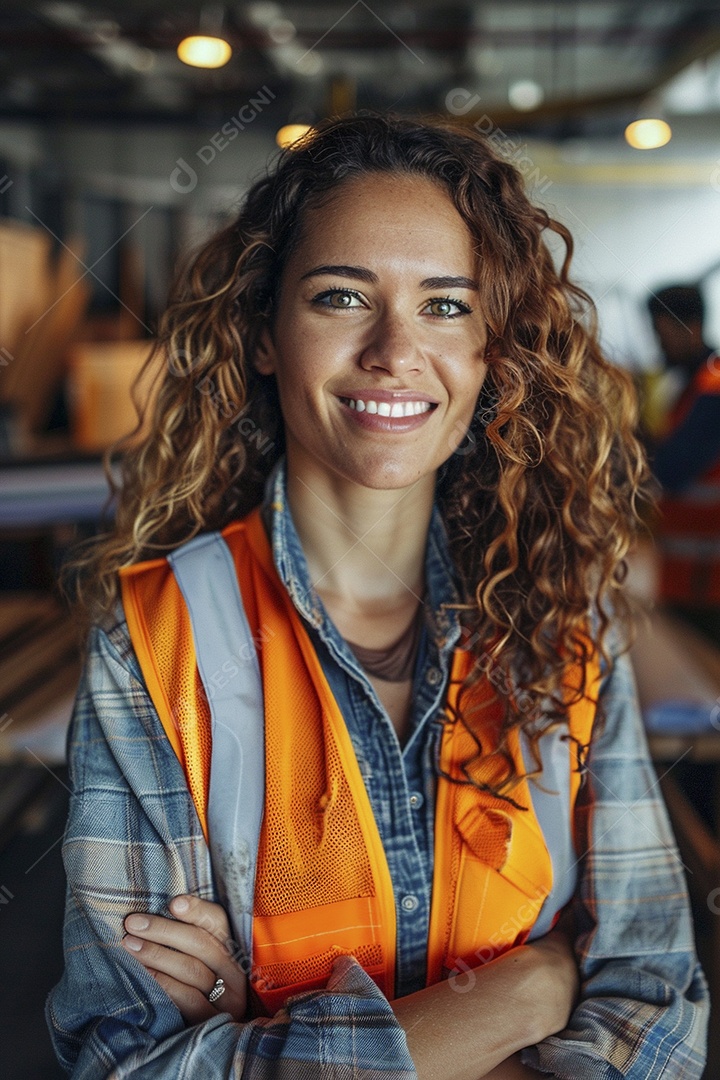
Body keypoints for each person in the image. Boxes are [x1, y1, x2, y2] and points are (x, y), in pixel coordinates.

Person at [48, 114, 708, 1079]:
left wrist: (257, 1033)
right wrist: (534, 988)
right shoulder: (155, 640)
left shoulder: (567, 628)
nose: (396, 351)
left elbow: (659, 1017)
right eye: (342, 296)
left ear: (492, 350)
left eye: (446, 305)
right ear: (265, 334)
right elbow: (125, 1062)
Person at [647, 284, 720, 642]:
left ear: (691, 327)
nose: (658, 346)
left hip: (707, 584)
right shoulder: (692, 387)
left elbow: (671, 470)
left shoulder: (713, 389)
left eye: (662, 335)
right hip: (692, 580)